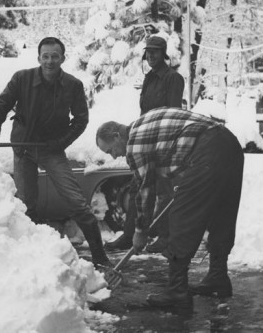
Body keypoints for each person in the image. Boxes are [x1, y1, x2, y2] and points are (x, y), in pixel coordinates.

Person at [0, 37, 111, 269]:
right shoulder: (22, 78)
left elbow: (81, 120)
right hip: (23, 147)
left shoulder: (72, 85)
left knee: (76, 202)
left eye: (55, 56)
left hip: (52, 149)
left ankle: (100, 256)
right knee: (26, 204)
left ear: (62, 58)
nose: (50, 61)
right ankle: (31, 259)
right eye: (46, 56)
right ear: (39, 57)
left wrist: (60, 143)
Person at [96, 107, 244, 310]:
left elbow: (144, 190)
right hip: (228, 143)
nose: (113, 156)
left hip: (207, 149)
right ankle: (218, 277)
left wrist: (140, 232)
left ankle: (177, 291)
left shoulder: (135, 145)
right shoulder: (145, 124)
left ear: (116, 136)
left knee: (181, 217)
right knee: (221, 212)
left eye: (110, 150)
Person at [106, 35, 185, 253]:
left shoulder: (173, 78)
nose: (151, 56)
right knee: (136, 188)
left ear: (163, 54)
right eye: (148, 52)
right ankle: (129, 234)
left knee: (164, 190)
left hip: (163, 142)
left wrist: (166, 144)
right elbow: (144, 112)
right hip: (145, 138)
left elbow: (174, 113)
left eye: (155, 52)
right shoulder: (149, 78)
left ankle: (165, 236)